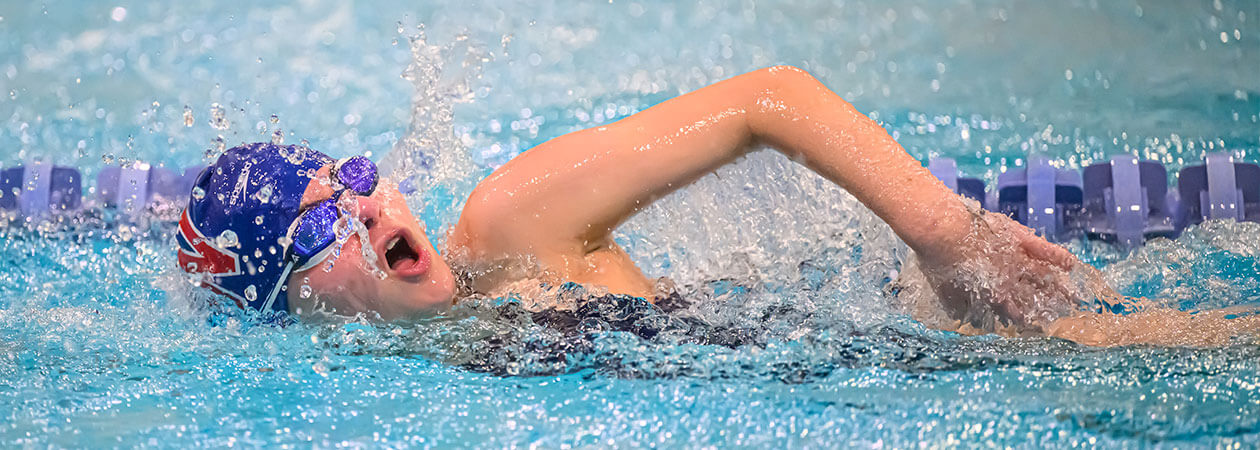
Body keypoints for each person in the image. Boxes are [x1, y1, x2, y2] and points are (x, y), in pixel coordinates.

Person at [176, 65, 1257, 346]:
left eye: (356, 182)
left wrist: (947, 233)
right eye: (319, 227)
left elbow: (764, 100)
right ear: (292, 303)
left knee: (1180, 351)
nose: (364, 211)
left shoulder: (512, 224)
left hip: (916, 339)